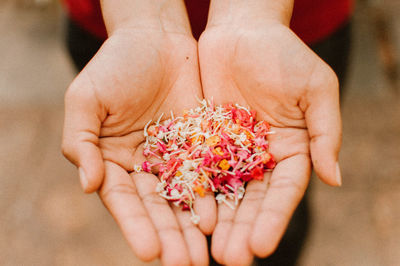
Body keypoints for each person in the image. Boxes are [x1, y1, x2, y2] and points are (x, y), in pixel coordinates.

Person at [61, 1, 353, 265]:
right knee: (191, 231)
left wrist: (252, 13)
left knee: (277, 217)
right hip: (120, 27)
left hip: (285, 37)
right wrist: (142, 19)